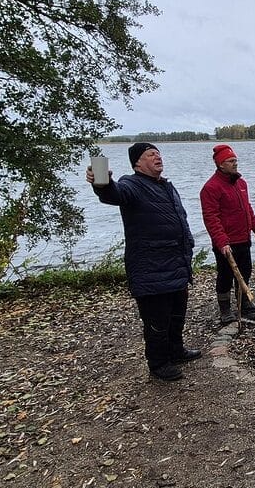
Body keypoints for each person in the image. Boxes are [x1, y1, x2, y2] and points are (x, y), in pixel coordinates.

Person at [86, 142, 199, 382]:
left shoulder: (166, 186)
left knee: (177, 314)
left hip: (176, 262)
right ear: (138, 162)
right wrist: (101, 184)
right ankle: (158, 364)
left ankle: (175, 350)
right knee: (157, 320)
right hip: (151, 267)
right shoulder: (132, 185)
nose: (158, 157)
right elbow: (114, 194)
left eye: (159, 153)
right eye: (151, 155)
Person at [200, 144, 255, 324]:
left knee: (245, 272)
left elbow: (247, 207)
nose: (235, 163)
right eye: (230, 161)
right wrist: (221, 242)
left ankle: (244, 304)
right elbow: (211, 217)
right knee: (225, 276)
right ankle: (225, 310)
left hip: (243, 238)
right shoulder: (211, 187)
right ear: (220, 164)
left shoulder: (241, 183)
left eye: (235, 160)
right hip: (226, 242)